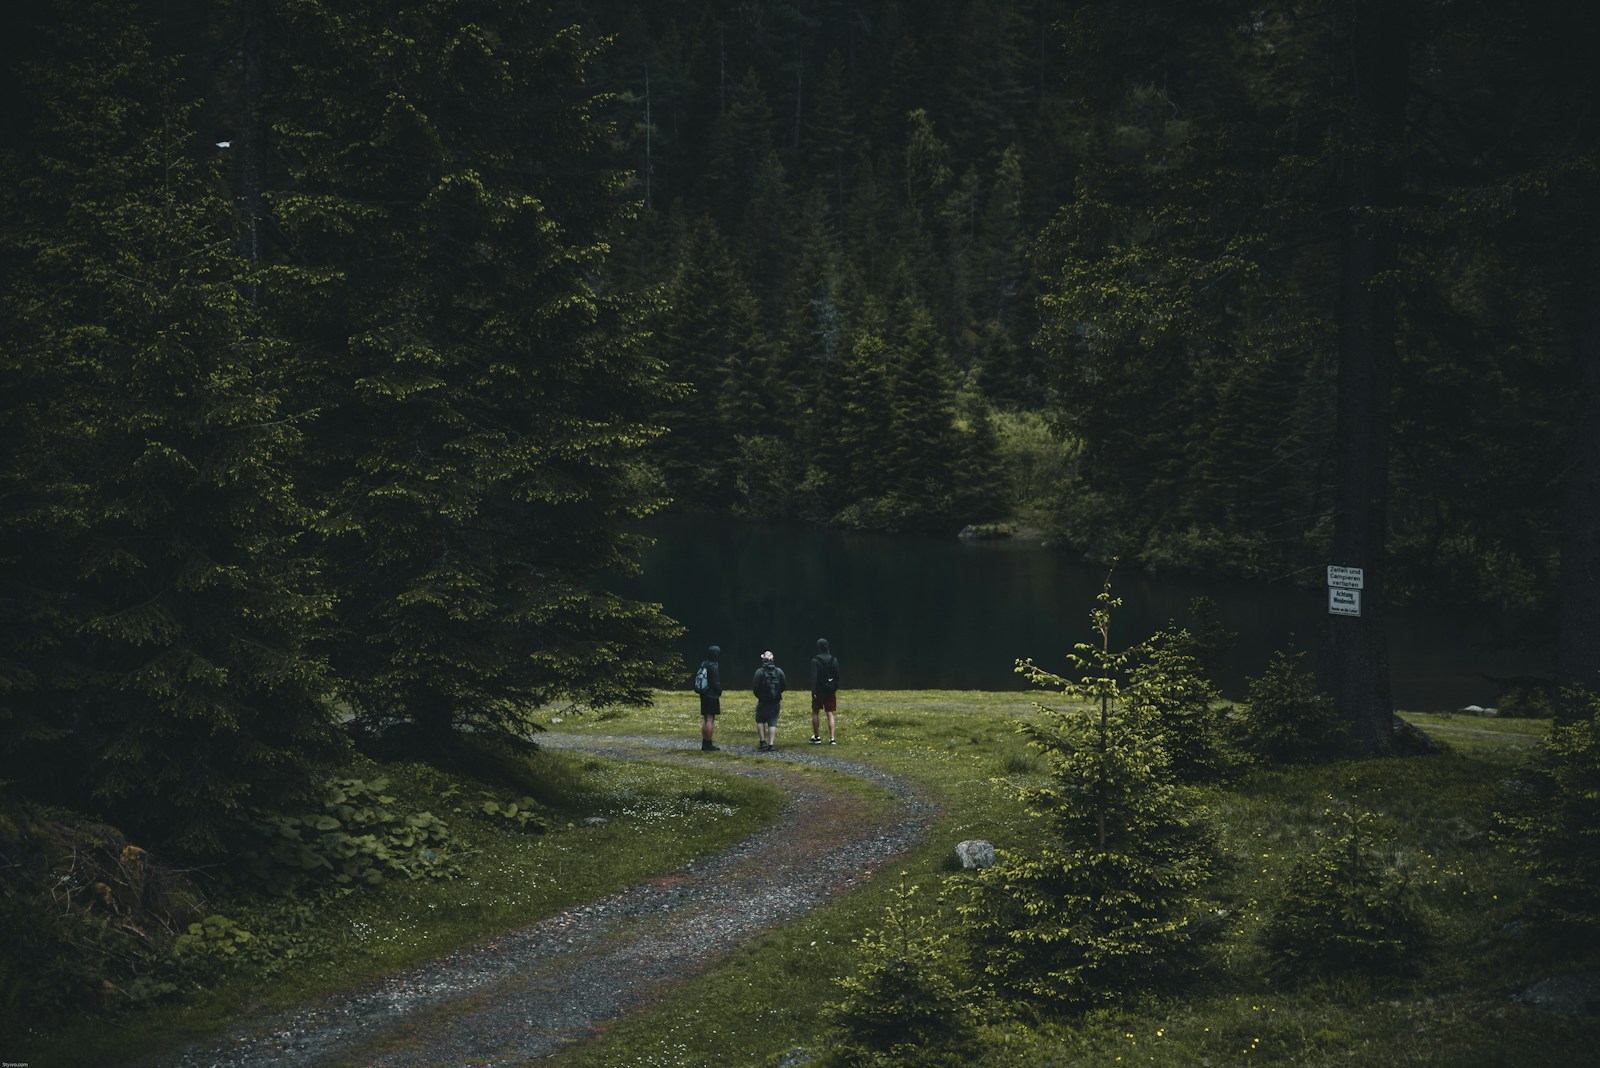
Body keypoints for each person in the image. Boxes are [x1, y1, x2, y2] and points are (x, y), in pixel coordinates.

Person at [752, 650, 786, 751]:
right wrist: (777, 694)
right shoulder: (779, 671)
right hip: (775, 701)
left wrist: (760, 696)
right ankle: (771, 744)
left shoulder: (759, 672)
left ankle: (762, 742)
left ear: (763, 660)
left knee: (760, 720)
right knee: (773, 721)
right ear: (773, 659)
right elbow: (784, 685)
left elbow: (755, 688)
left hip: (763, 701)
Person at [809, 638, 840, 744]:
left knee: (815, 712)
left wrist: (813, 691)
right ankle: (832, 738)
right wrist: (834, 687)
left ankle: (817, 737)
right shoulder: (833, 659)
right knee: (830, 713)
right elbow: (837, 676)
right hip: (830, 690)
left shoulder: (815, 660)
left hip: (819, 690)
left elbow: (814, 677)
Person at [695, 644, 723, 751]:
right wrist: (719, 691)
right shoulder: (713, 666)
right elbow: (715, 683)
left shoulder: (704, 664)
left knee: (706, 719)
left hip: (704, 694)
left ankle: (704, 742)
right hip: (711, 695)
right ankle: (708, 743)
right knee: (710, 720)